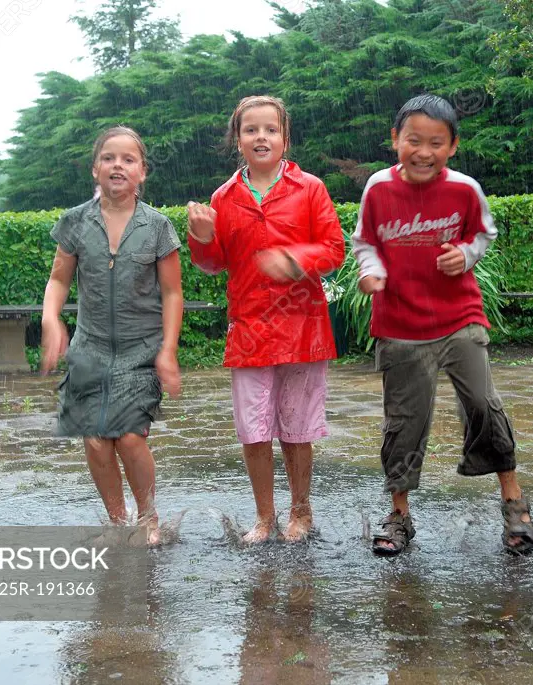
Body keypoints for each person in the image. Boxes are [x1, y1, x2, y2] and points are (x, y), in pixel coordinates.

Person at [352, 94, 533, 557]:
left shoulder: (464, 189)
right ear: (395, 140)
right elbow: (365, 240)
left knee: (482, 402)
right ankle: (399, 515)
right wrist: (369, 270)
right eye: (413, 140)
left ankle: (514, 502)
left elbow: (483, 233)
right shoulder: (377, 188)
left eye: (436, 142)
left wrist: (467, 254)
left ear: (452, 146)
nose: (424, 151)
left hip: (459, 318)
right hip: (398, 324)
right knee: (404, 422)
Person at [187, 95, 344, 544]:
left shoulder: (309, 188)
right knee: (253, 430)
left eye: (270, 130)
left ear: (285, 138)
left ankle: (301, 512)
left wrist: (295, 259)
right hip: (251, 329)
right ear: (237, 140)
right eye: (251, 130)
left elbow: (333, 249)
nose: (261, 137)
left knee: (297, 428)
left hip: (302, 326)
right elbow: (215, 263)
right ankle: (264, 517)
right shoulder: (224, 197)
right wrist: (201, 239)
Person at [41, 126, 183, 547]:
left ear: (142, 173)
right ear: (94, 169)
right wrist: (52, 319)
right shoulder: (75, 222)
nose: (117, 165)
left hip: (142, 351)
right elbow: (57, 280)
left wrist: (169, 351)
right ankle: (118, 522)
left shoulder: (157, 227)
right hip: (90, 350)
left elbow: (173, 293)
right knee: (96, 441)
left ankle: (148, 517)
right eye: (109, 158)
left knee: (129, 437)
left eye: (128, 159)